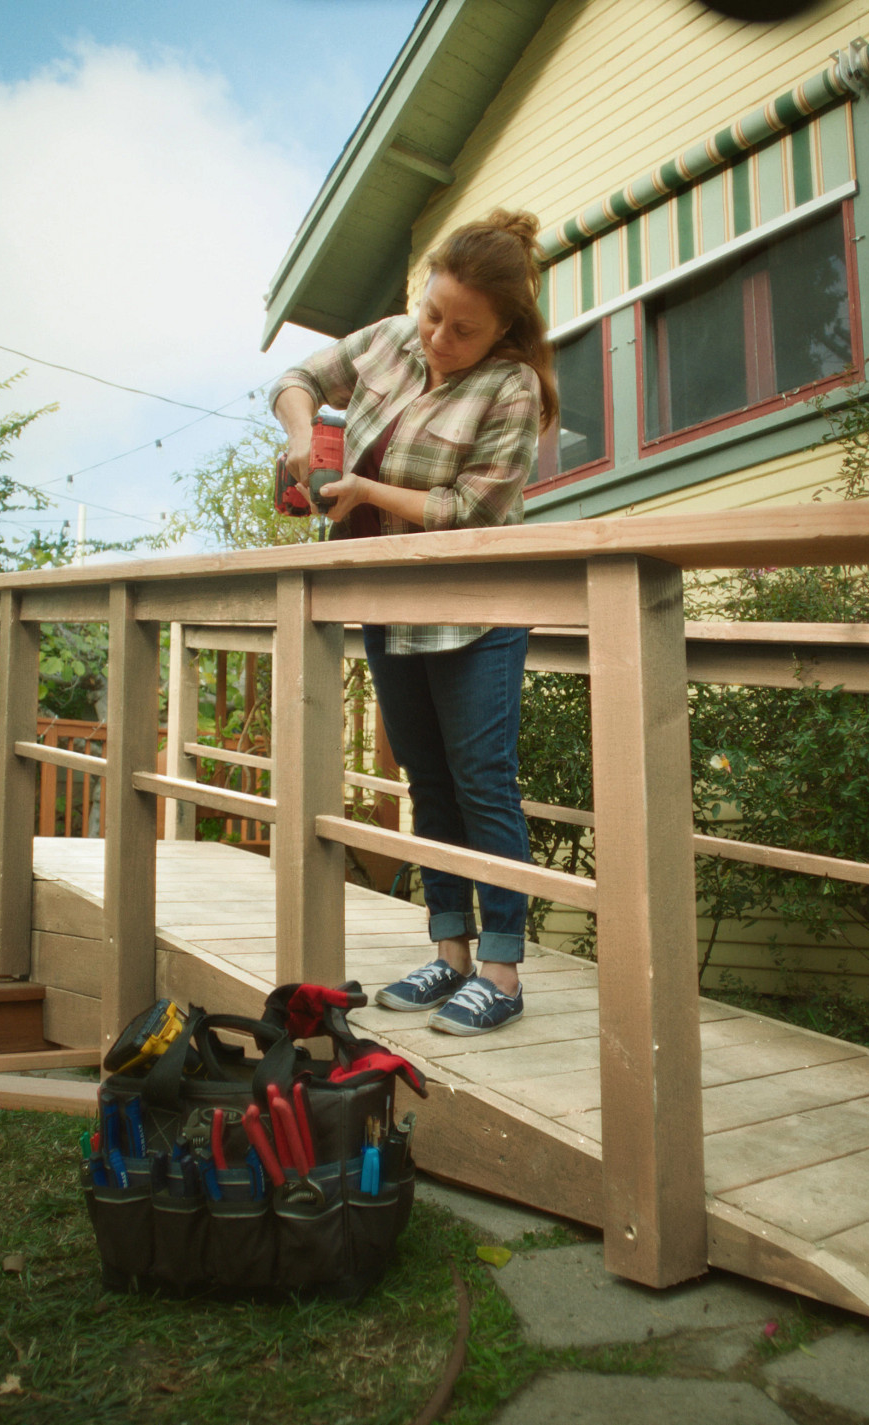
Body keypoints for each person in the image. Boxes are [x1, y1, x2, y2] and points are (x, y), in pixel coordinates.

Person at [268, 208, 558, 1036]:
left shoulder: (512, 388)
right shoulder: (394, 337)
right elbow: (298, 377)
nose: (438, 337)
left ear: (505, 331)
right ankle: (450, 952)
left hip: (476, 612)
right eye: (434, 313)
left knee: (482, 783)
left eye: (464, 330)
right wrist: (302, 435)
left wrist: (364, 492)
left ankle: (501, 968)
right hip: (389, 604)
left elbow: (469, 509)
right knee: (426, 783)